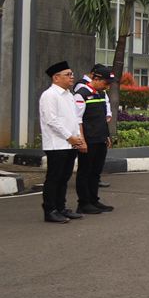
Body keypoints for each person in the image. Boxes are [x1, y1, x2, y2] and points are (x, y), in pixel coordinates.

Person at [38, 61, 84, 223]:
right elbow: (52, 120)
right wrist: (69, 137)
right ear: (56, 78)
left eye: (71, 74)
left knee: (64, 177)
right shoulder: (49, 95)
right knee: (54, 178)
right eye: (68, 75)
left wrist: (77, 137)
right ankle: (50, 210)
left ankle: (61, 207)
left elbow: (73, 119)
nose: (72, 77)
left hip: (70, 143)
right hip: (56, 144)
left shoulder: (69, 95)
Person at [73, 64, 115, 215]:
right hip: (88, 140)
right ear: (95, 79)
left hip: (100, 139)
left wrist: (107, 136)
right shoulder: (81, 94)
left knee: (96, 173)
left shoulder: (101, 94)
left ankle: (93, 200)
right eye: (106, 83)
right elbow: (78, 121)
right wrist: (81, 140)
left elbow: (102, 118)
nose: (107, 86)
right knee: (85, 172)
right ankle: (83, 203)